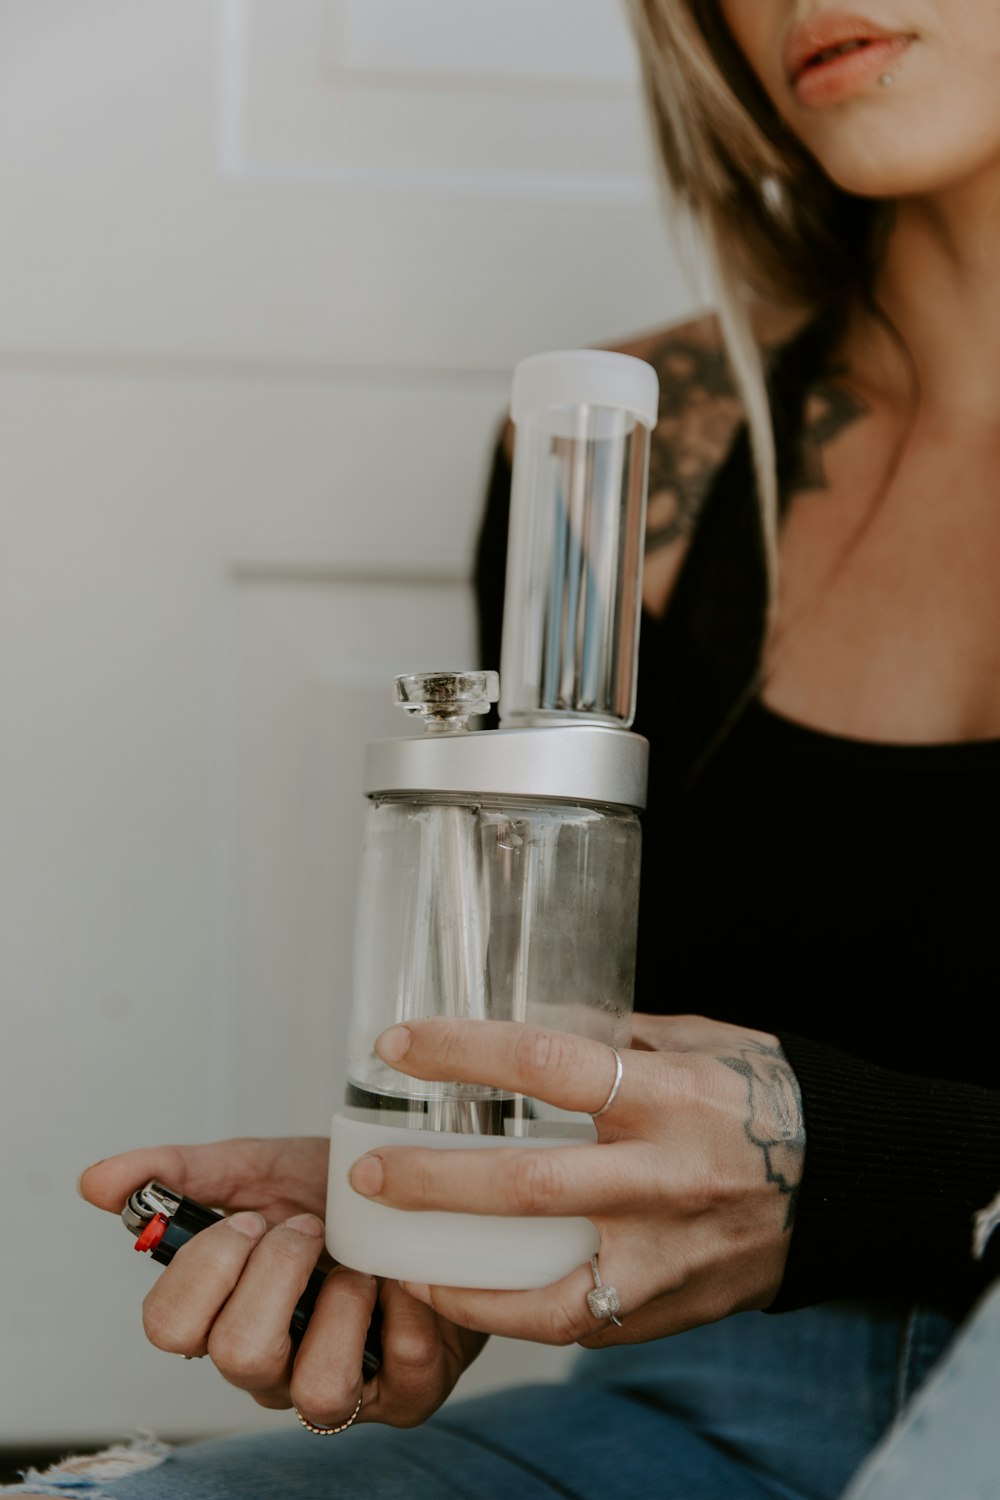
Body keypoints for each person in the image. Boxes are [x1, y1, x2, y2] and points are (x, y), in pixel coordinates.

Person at [11, 1, 1000, 1495]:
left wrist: (862, 1172)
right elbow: (580, 1034)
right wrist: (471, 1196)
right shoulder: (624, 471)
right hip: (692, 1425)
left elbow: (833, 1168)